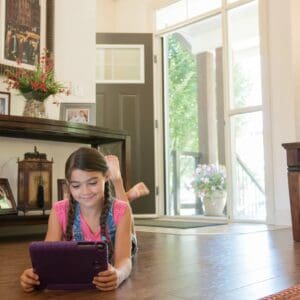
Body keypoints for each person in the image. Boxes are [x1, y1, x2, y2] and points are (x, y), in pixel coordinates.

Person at [20, 147, 148, 292]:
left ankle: (118, 183)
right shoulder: (59, 210)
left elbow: (124, 260)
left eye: (92, 183)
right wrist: (34, 275)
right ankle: (129, 194)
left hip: (124, 236)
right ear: (68, 184)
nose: (85, 192)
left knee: (127, 217)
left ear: (106, 177)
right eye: (76, 186)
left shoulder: (121, 210)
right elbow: (47, 258)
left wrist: (119, 274)